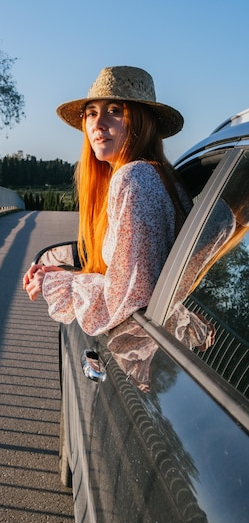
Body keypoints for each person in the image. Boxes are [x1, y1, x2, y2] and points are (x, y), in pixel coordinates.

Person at [23, 65, 192, 337]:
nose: (98, 125)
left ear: (141, 121)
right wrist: (75, 276)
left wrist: (55, 281)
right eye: (91, 113)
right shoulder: (159, 175)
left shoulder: (134, 178)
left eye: (114, 110)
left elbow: (126, 301)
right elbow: (135, 280)